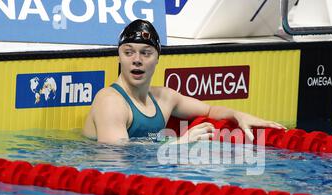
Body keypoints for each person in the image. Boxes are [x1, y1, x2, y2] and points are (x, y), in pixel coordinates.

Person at [82, 19, 284, 145]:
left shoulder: (164, 98)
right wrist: (176, 144)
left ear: (157, 58)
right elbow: (114, 156)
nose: (137, 59)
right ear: (119, 57)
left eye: (146, 53)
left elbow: (209, 110)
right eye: (128, 52)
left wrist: (237, 115)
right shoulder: (110, 101)